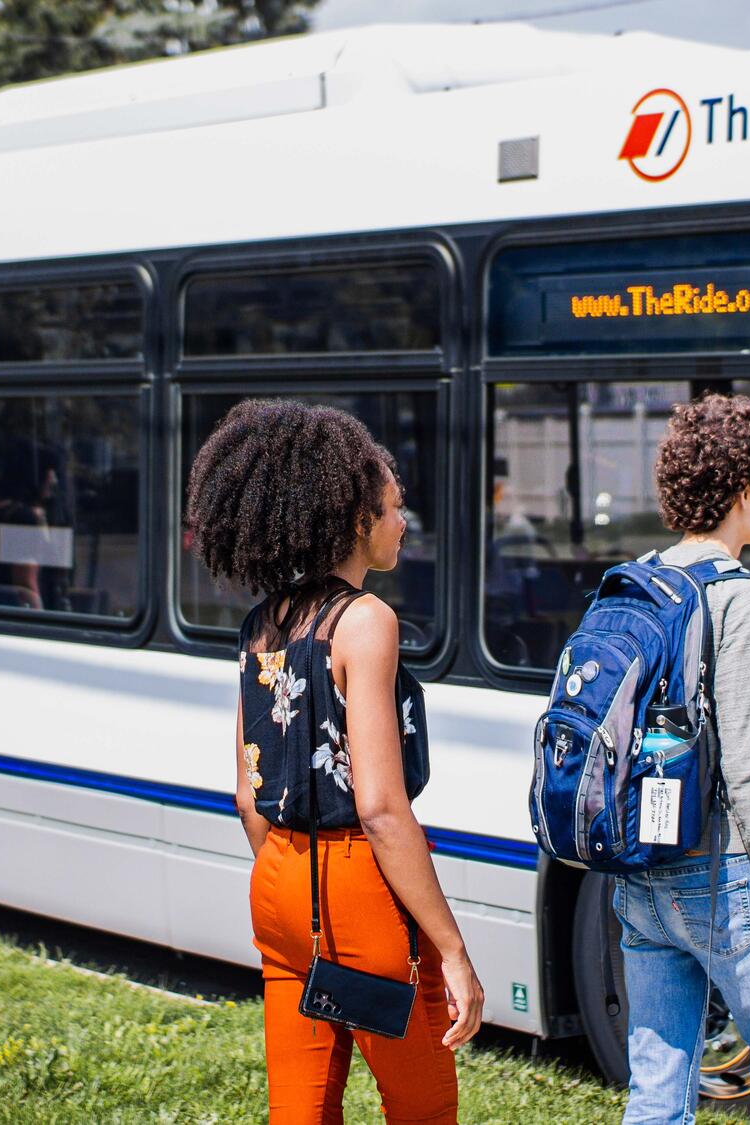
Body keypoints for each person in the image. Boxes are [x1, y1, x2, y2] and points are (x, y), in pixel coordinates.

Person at [185, 399, 482, 1124]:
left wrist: (291, 869)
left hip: (279, 877)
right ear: (356, 520)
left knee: (301, 1104)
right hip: (359, 884)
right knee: (421, 1105)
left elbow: (248, 795)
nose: (403, 522)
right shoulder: (366, 621)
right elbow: (381, 806)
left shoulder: (263, 622)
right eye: (393, 508)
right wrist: (454, 950)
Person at [619, 394, 750, 1125]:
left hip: (638, 876)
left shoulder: (637, 580)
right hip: (722, 876)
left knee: (657, 1087)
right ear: (742, 492)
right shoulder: (741, 598)